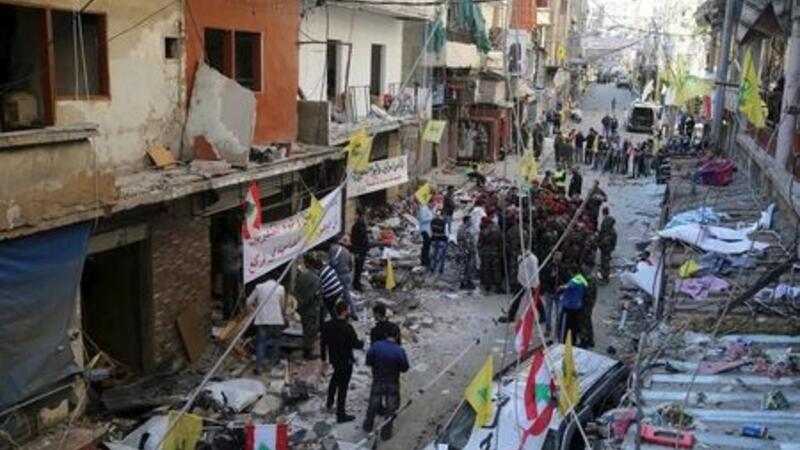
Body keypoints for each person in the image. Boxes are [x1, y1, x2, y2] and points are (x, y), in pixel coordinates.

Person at [362, 327, 409, 440]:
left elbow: (368, 361)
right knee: (391, 407)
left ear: (386, 334)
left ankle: (368, 424)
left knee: (373, 403)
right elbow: (404, 368)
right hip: (392, 381)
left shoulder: (376, 346)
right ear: (397, 336)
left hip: (378, 379)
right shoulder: (399, 351)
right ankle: (386, 432)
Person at [321, 301, 364, 423]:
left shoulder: (328, 325)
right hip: (346, 360)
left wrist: (324, 358)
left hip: (334, 358)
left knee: (335, 378)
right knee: (343, 387)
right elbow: (356, 344)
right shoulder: (347, 327)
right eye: (348, 309)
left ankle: (330, 401)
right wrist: (362, 342)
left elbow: (323, 343)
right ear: (344, 311)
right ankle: (341, 414)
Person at [246, 279, 286, 374]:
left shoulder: (259, 287)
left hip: (262, 319)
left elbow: (248, 301)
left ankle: (259, 366)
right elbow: (282, 306)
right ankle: (273, 363)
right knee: (276, 341)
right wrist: (283, 314)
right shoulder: (280, 288)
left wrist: (252, 311)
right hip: (276, 319)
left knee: (261, 342)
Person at [293, 260, 322, 359]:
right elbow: (313, 295)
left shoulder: (301, 276)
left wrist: (299, 304)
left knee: (305, 328)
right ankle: (308, 351)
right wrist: (306, 303)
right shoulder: (316, 279)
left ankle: (307, 349)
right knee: (311, 330)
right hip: (311, 308)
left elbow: (295, 290)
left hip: (301, 307)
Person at [329, 239, 358, 320]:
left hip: (338, 275)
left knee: (334, 295)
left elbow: (331, 263)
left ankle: (336, 314)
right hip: (346, 275)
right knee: (346, 295)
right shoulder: (347, 251)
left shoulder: (332, 249)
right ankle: (353, 312)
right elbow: (351, 265)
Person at [558, 271, 589, 344]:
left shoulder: (574, 280)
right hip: (577, 308)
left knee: (565, 327)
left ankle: (564, 342)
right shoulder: (583, 281)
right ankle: (573, 342)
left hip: (568, 308)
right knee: (574, 327)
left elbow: (568, 286)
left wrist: (561, 288)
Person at [479, 217, 504, 293]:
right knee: (496, 269)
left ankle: (488, 286)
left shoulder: (483, 232)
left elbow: (480, 244)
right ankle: (498, 286)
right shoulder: (497, 232)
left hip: (485, 252)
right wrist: (501, 252)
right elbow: (501, 243)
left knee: (487, 269)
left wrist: (481, 252)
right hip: (495, 252)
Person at [350, 209, 370, 292]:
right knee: (358, 268)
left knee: (360, 268)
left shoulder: (361, 225)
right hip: (359, 251)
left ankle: (357, 282)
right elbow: (355, 240)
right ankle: (356, 284)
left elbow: (363, 239)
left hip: (362, 250)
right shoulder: (357, 226)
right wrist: (356, 251)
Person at [597, 207, 618, 283]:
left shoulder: (610, 232)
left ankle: (605, 278)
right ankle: (604, 274)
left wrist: (598, 242)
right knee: (604, 261)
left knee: (605, 263)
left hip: (606, 249)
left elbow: (605, 241)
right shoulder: (610, 231)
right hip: (606, 249)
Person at [457, 215, 477, 290]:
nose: (471, 222)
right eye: (470, 220)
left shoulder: (463, 228)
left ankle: (465, 281)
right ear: (467, 221)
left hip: (464, 250)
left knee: (466, 267)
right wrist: (471, 249)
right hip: (465, 251)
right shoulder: (464, 229)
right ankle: (464, 282)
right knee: (465, 267)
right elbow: (466, 241)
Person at [429, 209, 449, 274]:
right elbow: (446, 233)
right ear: (443, 215)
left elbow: (430, 231)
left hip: (434, 239)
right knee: (442, 256)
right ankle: (440, 269)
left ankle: (432, 268)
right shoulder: (444, 222)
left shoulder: (432, 221)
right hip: (442, 240)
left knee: (433, 254)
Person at [418, 199, 434, 268]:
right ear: (429, 203)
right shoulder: (423, 209)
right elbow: (423, 219)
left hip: (428, 230)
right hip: (424, 230)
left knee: (427, 246)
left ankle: (426, 259)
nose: (433, 205)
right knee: (425, 246)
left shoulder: (427, 209)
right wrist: (431, 217)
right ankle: (424, 261)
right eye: (432, 204)